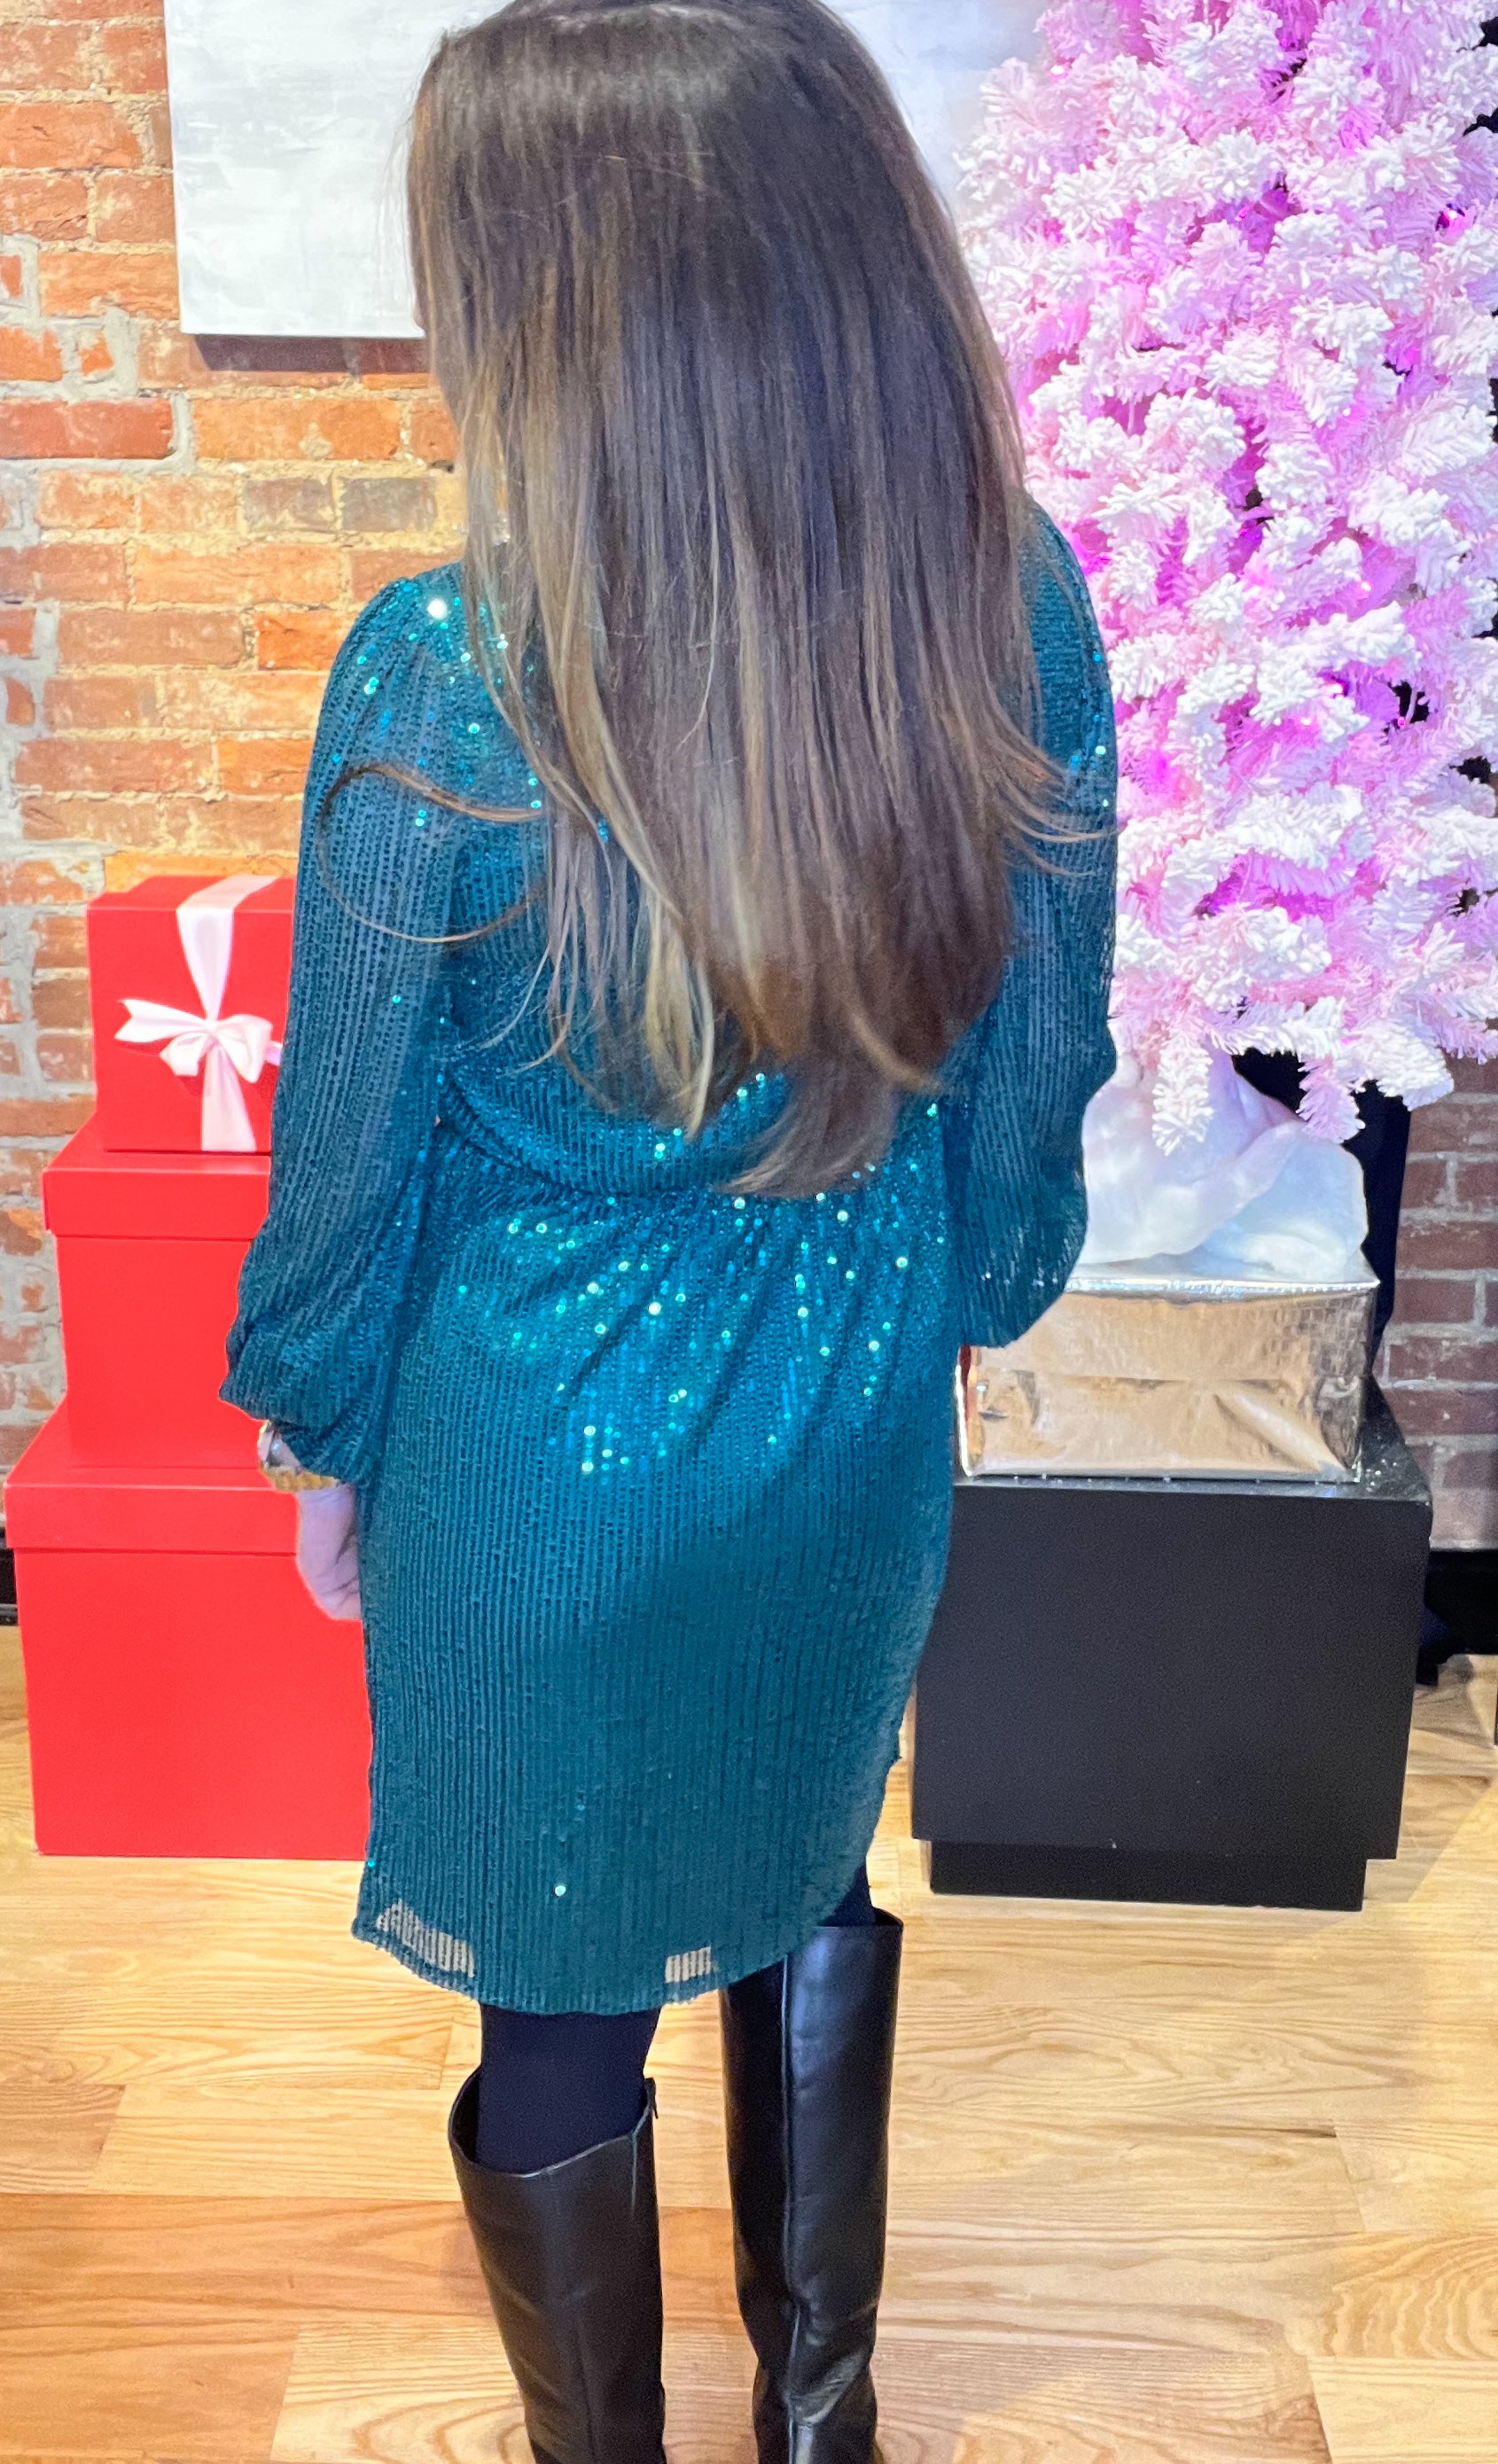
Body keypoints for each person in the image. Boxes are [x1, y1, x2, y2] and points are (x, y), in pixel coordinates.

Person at [223, 2, 1117, 2457]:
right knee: (808, 1853)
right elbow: (1034, 1074)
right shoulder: (1003, 594)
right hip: (848, 1405)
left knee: (557, 1985)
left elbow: (353, 1140)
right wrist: (968, 1296)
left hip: (531, 1466)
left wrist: (313, 1421)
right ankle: (817, 2411)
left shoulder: (446, 666)